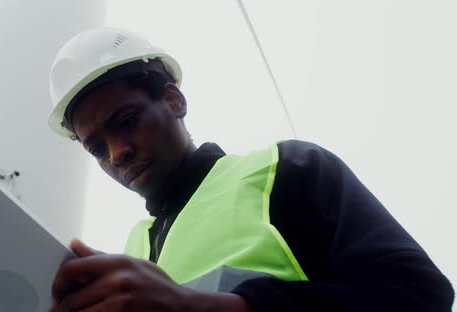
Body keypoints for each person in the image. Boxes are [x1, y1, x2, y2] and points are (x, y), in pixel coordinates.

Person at [47, 27, 454, 311]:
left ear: (173, 101)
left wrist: (208, 306)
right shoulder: (133, 247)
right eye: (96, 148)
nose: (116, 154)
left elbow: (419, 295)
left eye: (126, 121)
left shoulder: (284, 169)